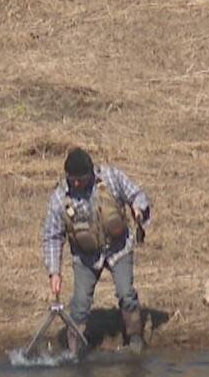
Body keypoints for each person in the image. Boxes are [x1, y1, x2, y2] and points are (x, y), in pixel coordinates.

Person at [42, 147, 152, 354]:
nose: (76, 183)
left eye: (80, 179)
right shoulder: (59, 198)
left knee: (126, 294)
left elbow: (137, 194)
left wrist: (138, 209)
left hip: (119, 248)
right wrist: (54, 272)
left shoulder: (111, 177)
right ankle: (75, 349)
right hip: (86, 257)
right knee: (80, 304)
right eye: (72, 179)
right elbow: (52, 237)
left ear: (91, 173)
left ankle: (135, 338)